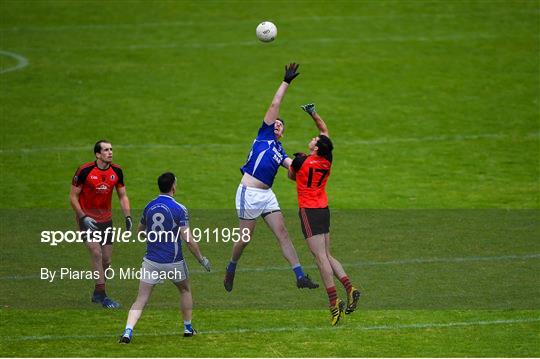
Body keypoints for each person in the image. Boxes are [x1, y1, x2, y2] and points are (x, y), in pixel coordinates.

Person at [224, 63, 318, 292]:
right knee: (245, 239)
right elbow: (275, 104)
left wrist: (307, 162)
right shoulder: (264, 135)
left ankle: (299, 276)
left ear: (283, 132)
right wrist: (286, 82)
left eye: (280, 125)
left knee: (283, 233)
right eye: (275, 122)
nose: (276, 124)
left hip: (266, 195)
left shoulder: (280, 152)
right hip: (248, 193)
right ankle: (231, 266)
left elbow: (294, 172)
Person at [288, 103, 361, 326]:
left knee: (320, 259)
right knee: (327, 254)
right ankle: (350, 288)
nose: (312, 139)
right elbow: (324, 131)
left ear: (317, 148)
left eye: (314, 140)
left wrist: (296, 161)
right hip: (323, 209)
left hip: (309, 211)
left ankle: (333, 303)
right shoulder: (327, 160)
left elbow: (291, 176)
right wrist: (313, 114)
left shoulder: (302, 161)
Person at [119, 172, 211, 343]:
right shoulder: (179, 209)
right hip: (173, 262)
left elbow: (140, 232)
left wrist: (156, 237)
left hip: (151, 262)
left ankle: (127, 332)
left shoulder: (149, 206)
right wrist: (201, 259)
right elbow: (188, 239)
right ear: (173, 187)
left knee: (140, 299)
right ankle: (188, 328)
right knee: (184, 290)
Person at [70, 140, 132, 308]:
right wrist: (83, 217)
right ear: (98, 154)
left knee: (107, 260)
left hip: (106, 220)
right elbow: (73, 197)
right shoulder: (85, 171)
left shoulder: (117, 171)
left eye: (111, 149)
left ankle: (97, 292)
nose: (110, 152)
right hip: (87, 219)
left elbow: (122, 195)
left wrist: (128, 217)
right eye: (106, 150)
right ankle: (102, 295)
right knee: (96, 253)